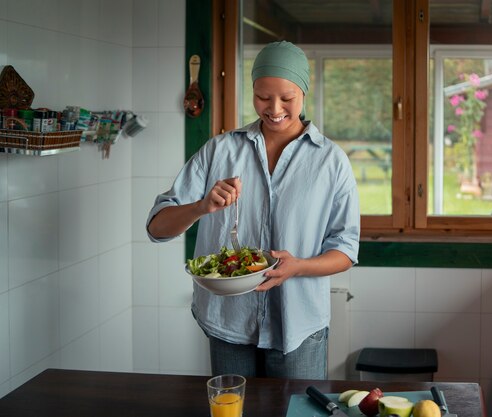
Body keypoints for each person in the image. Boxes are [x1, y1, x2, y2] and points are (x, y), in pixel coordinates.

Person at [146, 41, 360, 380]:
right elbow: (157, 228)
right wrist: (202, 206)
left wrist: (299, 266)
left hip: (299, 328)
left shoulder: (330, 161)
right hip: (229, 323)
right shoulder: (220, 150)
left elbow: (346, 249)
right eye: (263, 96)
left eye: (287, 98)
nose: (274, 108)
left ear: (304, 93)